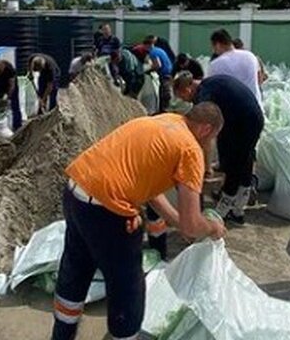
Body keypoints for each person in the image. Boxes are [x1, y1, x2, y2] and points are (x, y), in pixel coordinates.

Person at [51, 103, 227, 340]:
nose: (211, 144)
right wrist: (213, 227)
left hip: (76, 189)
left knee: (77, 268)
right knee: (127, 286)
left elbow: (149, 188)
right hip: (107, 210)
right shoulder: (190, 149)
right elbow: (192, 224)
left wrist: (174, 219)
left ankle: (62, 335)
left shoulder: (165, 121)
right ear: (206, 129)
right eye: (214, 137)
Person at [173, 72, 265, 224]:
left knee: (234, 164)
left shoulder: (204, 97)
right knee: (245, 159)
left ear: (187, 90)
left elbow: (205, 138)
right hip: (252, 118)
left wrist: (205, 167)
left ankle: (223, 210)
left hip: (242, 123)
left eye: (183, 97)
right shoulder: (209, 84)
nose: (185, 101)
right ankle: (238, 209)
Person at [207, 29, 262, 108]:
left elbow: (212, 90)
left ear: (218, 45)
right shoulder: (251, 56)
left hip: (234, 111)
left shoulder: (215, 65)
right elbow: (259, 79)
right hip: (256, 107)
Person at [143, 35, 173, 113]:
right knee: (163, 93)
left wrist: (149, 71)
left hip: (165, 75)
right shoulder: (159, 50)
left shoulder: (153, 52)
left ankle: (164, 112)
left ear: (147, 45)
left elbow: (158, 65)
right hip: (169, 74)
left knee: (164, 95)